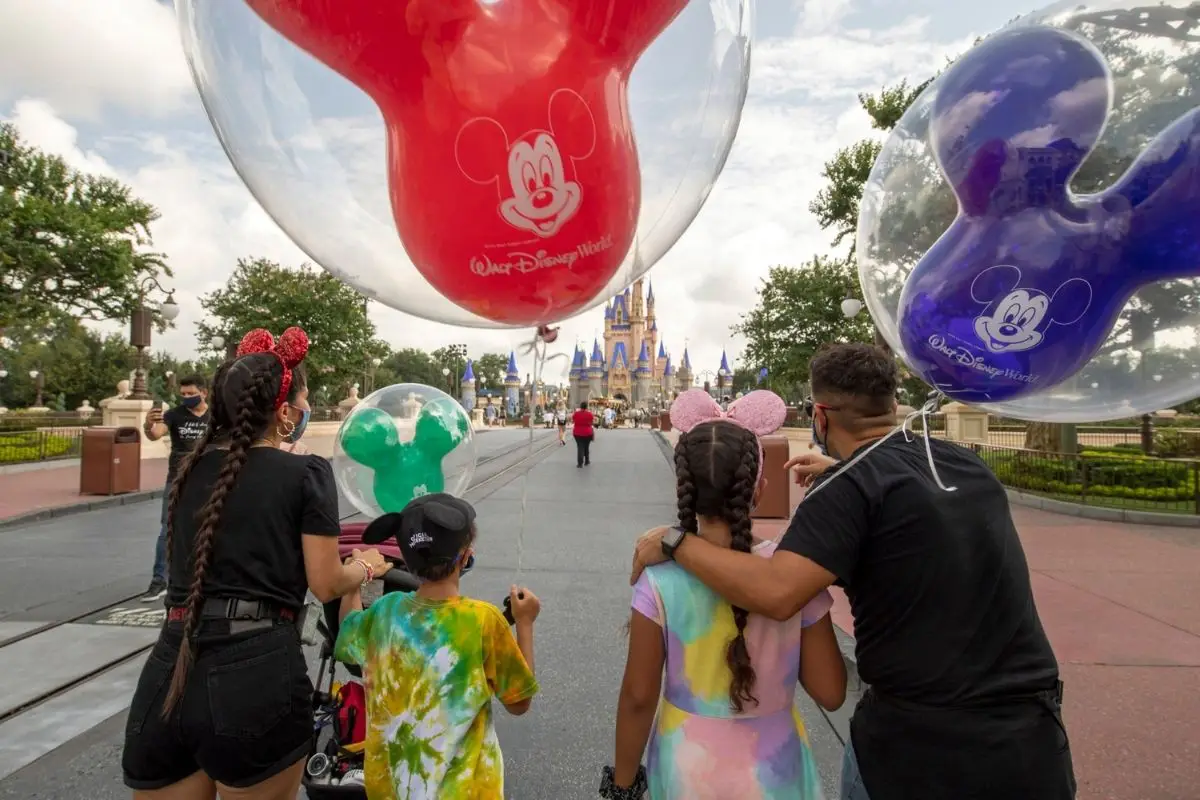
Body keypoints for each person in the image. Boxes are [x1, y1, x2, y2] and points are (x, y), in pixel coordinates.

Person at [630, 343, 1075, 800]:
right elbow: (901, 499)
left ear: (820, 417)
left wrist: (675, 541)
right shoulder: (963, 463)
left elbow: (777, 592)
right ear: (891, 402)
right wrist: (844, 472)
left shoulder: (849, 490)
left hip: (922, 747)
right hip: (1031, 737)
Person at [122, 328, 392, 800]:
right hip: (254, 672)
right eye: (304, 398)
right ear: (285, 412)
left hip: (170, 667)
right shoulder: (305, 472)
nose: (307, 408)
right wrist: (367, 566)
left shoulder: (190, 468)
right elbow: (326, 582)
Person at [605, 390, 846, 799]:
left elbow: (638, 696)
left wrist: (622, 786)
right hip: (776, 771)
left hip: (688, 769)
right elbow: (830, 691)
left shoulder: (659, 578)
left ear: (684, 488)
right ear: (758, 489)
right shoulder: (792, 573)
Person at [335, 493, 540, 799]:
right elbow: (518, 702)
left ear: (404, 556)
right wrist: (524, 623)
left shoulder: (384, 612)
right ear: (466, 556)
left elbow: (348, 629)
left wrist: (357, 573)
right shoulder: (483, 620)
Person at [141, 375, 211, 602]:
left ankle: (206, 578)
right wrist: (147, 423)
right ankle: (160, 580)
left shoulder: (216, 415)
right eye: (183, 394)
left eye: (191, 394)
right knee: (167, 529)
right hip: (178, 479)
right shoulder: (174, 415)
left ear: (204, 393)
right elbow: (155, 434)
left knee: (209, 528)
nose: (187, 398)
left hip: (208, 479)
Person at [573, 401, 595, 467]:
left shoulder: (576, 414)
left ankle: (580, 463)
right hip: (588, 433)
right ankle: (587, 461)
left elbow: (573, 420)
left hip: (577, 433)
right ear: (586, 407)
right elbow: (592, 422)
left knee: (580, 447)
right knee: (586, 446)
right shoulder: (590, 414)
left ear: (580, 406)